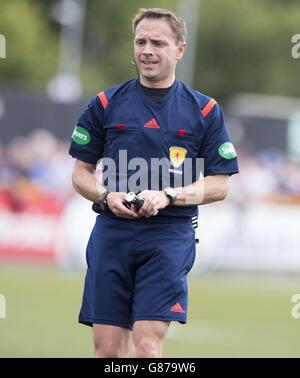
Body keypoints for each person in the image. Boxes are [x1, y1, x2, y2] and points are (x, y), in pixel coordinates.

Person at [69, 8, 239, 358]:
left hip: (169, 236)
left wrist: (169, 195)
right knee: (107, 353)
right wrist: (105, 195)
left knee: (146, 347)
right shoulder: (105, 103)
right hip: (112, 233)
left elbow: (220, 184)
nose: (146, 50)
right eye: (140, 41)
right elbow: (80, 174)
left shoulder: (204, 110)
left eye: (157, 43)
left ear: (179, 49)